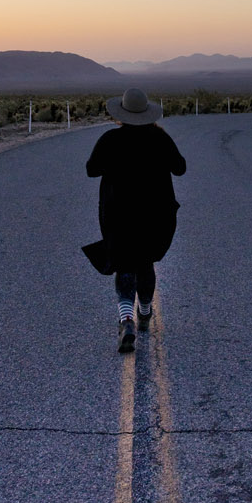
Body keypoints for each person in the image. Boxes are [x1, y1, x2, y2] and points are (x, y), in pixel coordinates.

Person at [83, 88, 187, 352]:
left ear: (121, 114)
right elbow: (180, 167)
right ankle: (145, 311)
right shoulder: (160, 139)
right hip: (156, 215)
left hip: (119, 214)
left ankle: (126, 318)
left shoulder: (110, 139)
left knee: (124, 263)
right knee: (145, 262)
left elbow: (91, 170)